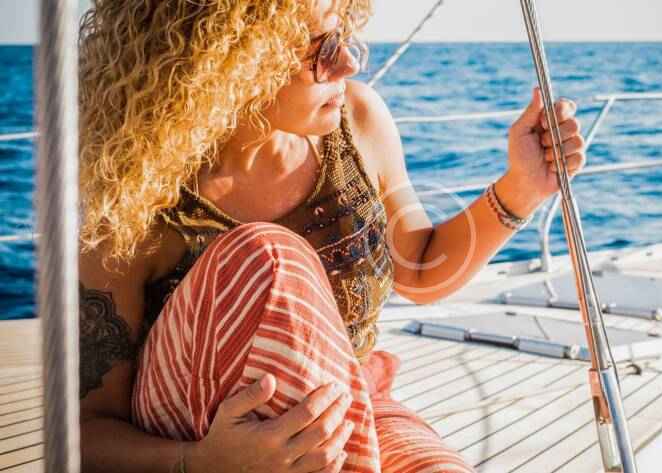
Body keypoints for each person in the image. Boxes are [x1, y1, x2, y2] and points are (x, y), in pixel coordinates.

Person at [76, 0, 585, 472]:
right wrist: (201, 461)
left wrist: (521, 188)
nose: (348, 63)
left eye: (342, 37)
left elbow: (419, 268)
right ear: (227, 60)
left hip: (349, 409)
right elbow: (85, 431)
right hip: (202, 437)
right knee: (267, 255)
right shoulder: (138, 197)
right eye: (319, 49)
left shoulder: (357, 121)